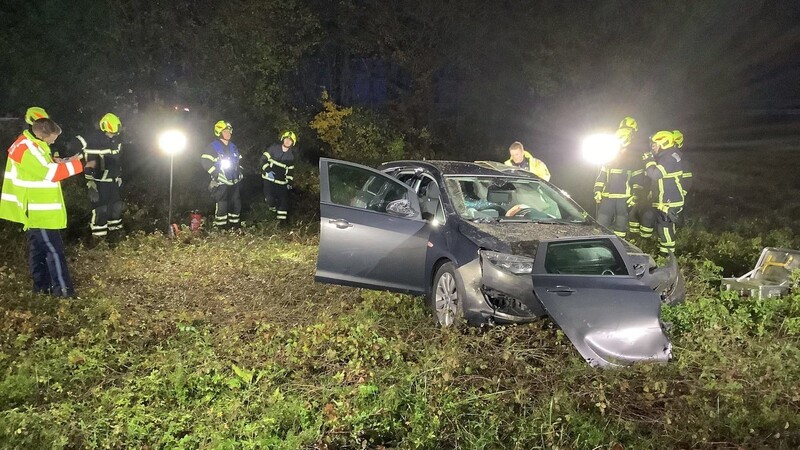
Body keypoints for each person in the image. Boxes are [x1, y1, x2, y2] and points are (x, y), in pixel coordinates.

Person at [0, 118, 95, 297]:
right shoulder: (27, 149)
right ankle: (64, 292)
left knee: (38, 251)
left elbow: (44, 166)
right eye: (53, 137)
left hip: (36, 209)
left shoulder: (31, 144)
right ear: (44, 134)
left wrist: (62, 161)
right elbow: (50, 173)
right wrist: (80, 165)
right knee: (54, 251)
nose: (54, 141)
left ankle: (42, 289)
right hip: (39, 211)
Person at [72, 113, 124, 241]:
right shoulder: (91, 140)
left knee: (116, 208)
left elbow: (117, 160)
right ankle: (98, 240)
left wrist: (119, 176)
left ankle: (115, 238)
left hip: (113, 181)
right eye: (110, 133)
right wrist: (89, 183)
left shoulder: (116, 141)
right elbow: (77, 153)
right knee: (101, 210)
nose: (112, 135)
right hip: (97, 182)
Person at [641, 131, 686, 254]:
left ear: (664, 143)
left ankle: (668, 257)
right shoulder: (668, 155)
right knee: (662, 227)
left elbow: (655, 175)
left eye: (655, 144)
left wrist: (649, 160)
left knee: (665, 228)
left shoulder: (669, 157)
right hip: (666, 199)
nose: (652, 147)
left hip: (670, 200)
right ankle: (664, 255)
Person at [593, 127, 636, 238]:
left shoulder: (632, 157)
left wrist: (636, 195)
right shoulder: (609, 156)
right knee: (602, 219)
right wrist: (597, 191)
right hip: (607, 196)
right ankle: (598, 240)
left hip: (624, 196)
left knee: (621, 221)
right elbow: (601, 176)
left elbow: (637, 178)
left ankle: (620, 243)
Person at [201, 120, 242, 229]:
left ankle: (235, 227)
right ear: (219, 132)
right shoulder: (212, 147)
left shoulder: (233, 146)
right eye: (225, 131)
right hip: (220, 181)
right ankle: (220, 229)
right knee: (222, 205)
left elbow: (239, 160)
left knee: (236, 204)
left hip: (234, 180)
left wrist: (240, 171)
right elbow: (205, 161)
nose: (228, 133)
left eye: (229, 131)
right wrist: (216, 173)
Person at [260, 130, 297, 222]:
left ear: (293, 143)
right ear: (283, 139)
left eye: (290, 140)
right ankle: (272, 212)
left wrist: (289, 182)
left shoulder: (291, 156)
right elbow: (263, 160)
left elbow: (290, 171)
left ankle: (282, 224)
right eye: (286, 139)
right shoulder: (273, 149)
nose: (287, 141)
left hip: (282, 182)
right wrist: (267, 170)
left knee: (283, 202)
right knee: (270, 199)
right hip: (269, 180)